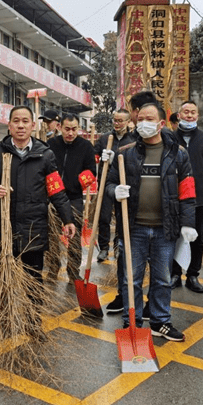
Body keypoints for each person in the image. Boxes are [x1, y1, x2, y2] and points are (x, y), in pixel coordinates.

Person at [0, 105, 76, 340]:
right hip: (5, 227)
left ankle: (33, 323)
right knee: (3, 279)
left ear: (34, 125)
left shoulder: (45, 154)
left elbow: (56, 190)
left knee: (34, 278)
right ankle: (4, 322)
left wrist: (67, 219)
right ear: (9, 125)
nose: (21, 125)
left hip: (34, 228)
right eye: (16, 121)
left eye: (25, 121)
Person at [106, 103, 196, 342]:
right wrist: (115, 191)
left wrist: (188, 224)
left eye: (150, 118)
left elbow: (187, 192)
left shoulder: (178, 154)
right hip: (133, 228)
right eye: (140, 118)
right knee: (131, 279)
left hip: (165, 229)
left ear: (161, 123)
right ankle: (131, 322)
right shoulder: (125, 153)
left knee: (162, 279)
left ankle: (160, 321)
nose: (144, 122)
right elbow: (108, 184)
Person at [101, 91, 158, 315]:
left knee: (155, 265)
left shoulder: (155, 139)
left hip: (153, 214)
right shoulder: (118, 140)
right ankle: (125, 297)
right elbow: (111, 180)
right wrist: (106, 163)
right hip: (127, 210)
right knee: (125, 258)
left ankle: (152, 306)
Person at [170, 100, 203, 293]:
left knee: (197, 237)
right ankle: (174, 273)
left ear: (198, 116)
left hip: (199, 196)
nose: (190, 115)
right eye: (186, 112)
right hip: (173, 196)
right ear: (179, 115)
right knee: (174, 235)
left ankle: (193, 274)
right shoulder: (169, 138)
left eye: (193, 112)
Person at [46, 113, 97, 282]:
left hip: (74, 197)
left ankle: (73, 271)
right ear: (59, 127)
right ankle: (53, 267)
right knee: (51, 233)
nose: (70, 133)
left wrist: (74, 184)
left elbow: (91, 172)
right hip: (52, 196)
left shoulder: (86, 146)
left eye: (74, 129)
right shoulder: (51, 144)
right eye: (67, 129)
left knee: (74, 235)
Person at [93, 108, 136, 263]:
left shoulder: (132, 140)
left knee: (121, 215)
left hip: (124, 184)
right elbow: (94, 154)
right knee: (103, 216)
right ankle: (104, 247)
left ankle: (119, 245)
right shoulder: (105, 138)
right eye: (115, 120)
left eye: (120, 121)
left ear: (128, 121)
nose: (117, 123)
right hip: (106, 182)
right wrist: (99, 158)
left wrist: (117, 159)